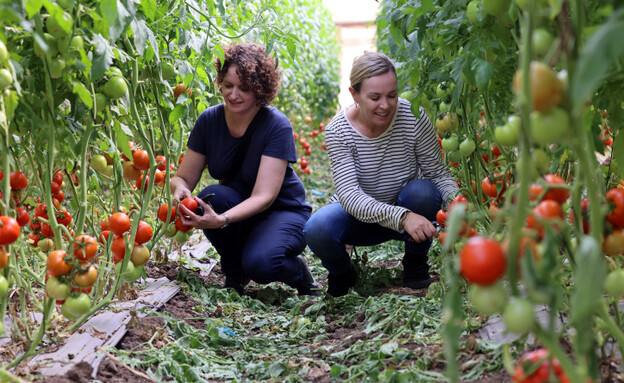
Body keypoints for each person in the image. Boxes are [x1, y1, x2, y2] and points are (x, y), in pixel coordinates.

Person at [303, 51, 459, 297]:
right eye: (374, 97)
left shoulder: (414, 116)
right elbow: (350, 196)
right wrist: (403, 217)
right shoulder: (338, 131)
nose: (385, 105)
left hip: (407, 208)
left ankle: (416, 262)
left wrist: (458, 205)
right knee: (318, 228)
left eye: (392, 95)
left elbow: (438, 173)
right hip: (360, 217)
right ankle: (342, 272)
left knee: (424, 192)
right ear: (354, 94)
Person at [171, 43, 319, 296]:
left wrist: (220, 220)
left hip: (282, 211)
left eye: (244, 88)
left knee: (262, 264)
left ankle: (299, 274)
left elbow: (264, 196)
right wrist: (180, 191)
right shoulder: (209, 120)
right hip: (238, 206)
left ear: (260, 90)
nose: (234, 95)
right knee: (209, 198)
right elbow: (182, 177)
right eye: (228, 85)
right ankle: (234, 272)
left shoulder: (276, 125)